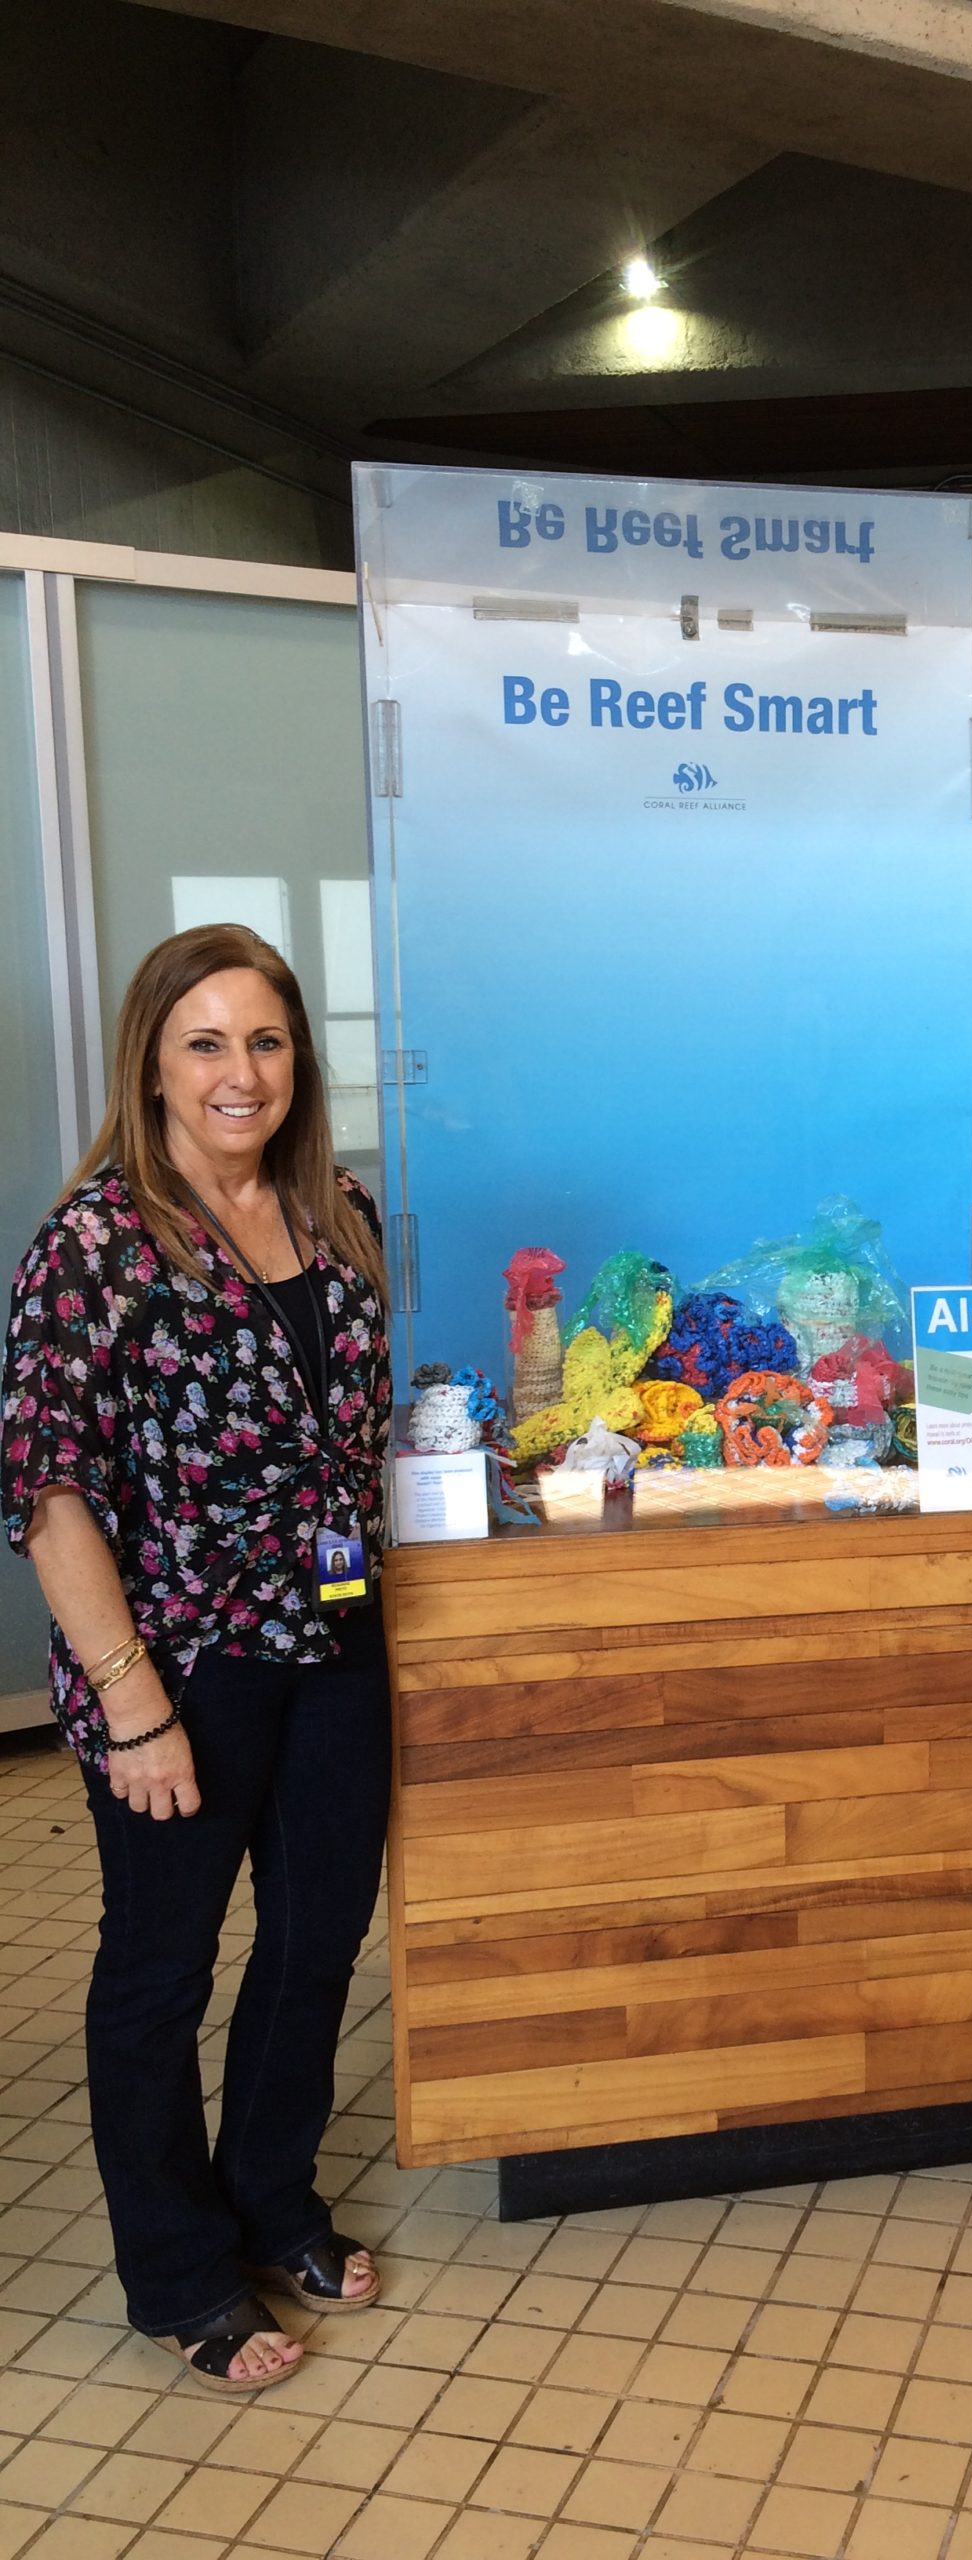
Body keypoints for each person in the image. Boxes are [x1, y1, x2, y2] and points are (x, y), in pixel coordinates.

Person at [2, 924, 394, 2390]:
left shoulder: (339, 1213)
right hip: (179, 1664)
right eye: (208, 1043)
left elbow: (346, 1436)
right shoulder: (96, 1245)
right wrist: (134, 1705)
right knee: (161, 1971)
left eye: (268, 1040)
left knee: (314, 1942)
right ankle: (176, 2272)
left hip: (335, 1642)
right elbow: (48, 1492)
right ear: (154, 1066)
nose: (243, 1073)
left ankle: (271, 2197)